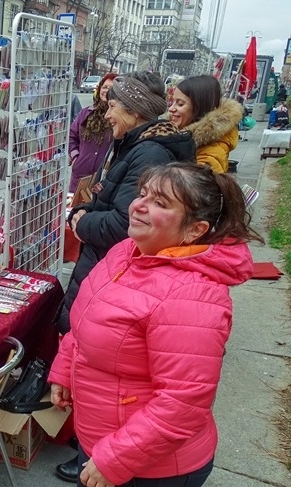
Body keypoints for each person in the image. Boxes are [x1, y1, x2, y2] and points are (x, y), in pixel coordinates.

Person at [49, 162, 261, 487]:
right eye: (143, 194)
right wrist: (65, 369)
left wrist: (115, 459)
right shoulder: (127, 252)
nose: (138, 206)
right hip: (104, 439)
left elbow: (183, 403)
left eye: (161, 203)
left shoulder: (191, 296)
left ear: (194, 230)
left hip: (150, 467)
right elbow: (86, 320)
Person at [54, 72, 196, 483]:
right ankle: (88, 448)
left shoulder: (149, 154)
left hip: (149, 466)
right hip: (123, 443)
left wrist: (82, 222)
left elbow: (176, 402)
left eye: (113, 105)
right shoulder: (137, 146)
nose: (106, 111)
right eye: (144, 198)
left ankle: (91, 453)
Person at [168, 75, 242, 173]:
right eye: (172, 102)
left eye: (180, 104)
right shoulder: (179, 135)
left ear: (200, 107)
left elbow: (193, 185)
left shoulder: (210, 156)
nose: (171, 109)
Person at [68, 73, 116, 192]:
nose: (106, 91)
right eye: (104, 87)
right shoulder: (86, 113)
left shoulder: (118, 117)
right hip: (80, 175)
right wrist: (75, 157)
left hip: (104, 179)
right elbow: (72, 135)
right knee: (74, 208)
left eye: (111, 88)